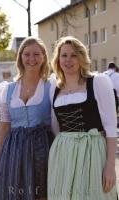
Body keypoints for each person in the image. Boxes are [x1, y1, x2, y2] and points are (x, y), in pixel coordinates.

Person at [48, 36, 118, 200]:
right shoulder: (54, 87)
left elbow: (110, 126)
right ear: (58, 59)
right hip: (63, 154)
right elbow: (55, 126)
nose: (68, 60)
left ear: (81, 58)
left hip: (92, 151)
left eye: (73, 55)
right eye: (64, 55)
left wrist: (110, 165)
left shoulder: (98, 82)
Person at [0, 36, 54, 200]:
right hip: (13, 151)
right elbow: (4, 127)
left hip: (42, 148)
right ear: (20, 57)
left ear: (44, 57)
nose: (31, 59)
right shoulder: (8, 89)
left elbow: (56, 125)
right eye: (26, 54)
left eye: (36, 54)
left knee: (42, 194)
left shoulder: (51, 87)